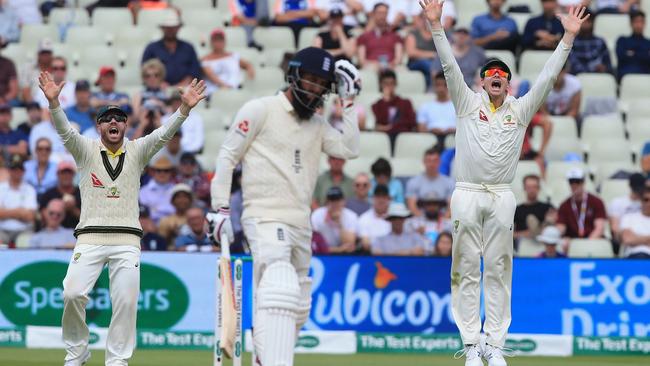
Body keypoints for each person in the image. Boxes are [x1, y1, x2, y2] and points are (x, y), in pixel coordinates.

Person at [420, 1, 589, 364]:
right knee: (465, 267)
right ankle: (470, 346)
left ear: (508, 83)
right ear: (482, 80)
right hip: (466, 192)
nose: (496, 75)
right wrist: (436, 25)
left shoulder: (522, 109)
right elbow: (450, 66)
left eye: (502, 73)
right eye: (490, 72)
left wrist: (568, 39)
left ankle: (494, 346)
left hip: (501, 196)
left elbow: (546, 77)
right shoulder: (466, 103)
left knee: (498, 268)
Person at [37, 69, 206, 366]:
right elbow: (65, 131)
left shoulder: (138, 150)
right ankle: (77, 352)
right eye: (107, 118)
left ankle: (117, 360)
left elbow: (164, 135)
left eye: (119, 118)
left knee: (126, 303)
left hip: (127, 238)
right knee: (72, 293)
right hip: (89, 237)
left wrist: (183, 110)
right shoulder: (85, 150)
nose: (113, 122)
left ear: (127, 125)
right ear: (99, 126)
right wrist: (54, 103)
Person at [206, 47, 360, 366]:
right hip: (263, 216)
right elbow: (227, 156)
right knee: (279, 283)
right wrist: (220, 208)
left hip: (301, 224)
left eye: (322, 84)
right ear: (294, 75)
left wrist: (349, 103)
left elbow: (350, 149)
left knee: (298, 307)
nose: (315, 88)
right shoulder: (260, 109)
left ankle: (264, 355)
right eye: (311, 79)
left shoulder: (317, 125)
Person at [141, 13, 202, 86]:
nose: (170, 30)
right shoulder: (152, 48)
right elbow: (144, 69)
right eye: (167, 27)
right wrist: (159, 83)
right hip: (158, 90)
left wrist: (185, 83)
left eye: (173, 27)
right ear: (162, 28)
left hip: (186, 89)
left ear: (178, 28)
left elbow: (195, 69)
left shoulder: (188, 47)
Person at [557, 168, 607, 245]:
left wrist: (586, 244)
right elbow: (561, 227)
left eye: (577, 181)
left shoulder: (596, 202)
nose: (574, 185)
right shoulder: (564, 205)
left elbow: (599, 228)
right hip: (572, 241)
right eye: (571, 182)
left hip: (593, 240)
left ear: (583, 182)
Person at [201, 28, 255, 96]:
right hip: (215, 93)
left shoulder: (233, 56)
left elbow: (248, 65)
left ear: (224, 41)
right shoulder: (205, 59)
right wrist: (225, 86)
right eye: (216, 40)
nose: (218, 42)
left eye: (220, 40)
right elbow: (211, 75)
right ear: (211, 42)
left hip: (235, 91)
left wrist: (250, 75)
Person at [371, 69, 417, 146]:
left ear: (396, 84)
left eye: (391, 83)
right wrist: (385, 101)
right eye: (386, 84)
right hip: (383, 142)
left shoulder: (406, 103)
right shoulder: (377, 105)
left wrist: (389, 127)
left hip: (403, 141)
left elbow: (411, 123)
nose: (389, 87)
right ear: (381, 85)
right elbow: (380, 121)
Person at [405, 147, 455, 216]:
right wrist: (424, 222)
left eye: (435, 161)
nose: (432, 164)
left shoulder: (449, 183)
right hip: (420, 221)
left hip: (442, 221)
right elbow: (412, 207)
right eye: (429, 161)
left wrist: (442, 222)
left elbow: (451, 208)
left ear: (439, 162)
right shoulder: (413, 182)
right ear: (424, 162)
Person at [0, 154, 37, 244]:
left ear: (23, 171)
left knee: (25, 243)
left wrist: (5, 212)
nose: (17, 172)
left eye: (19, 169)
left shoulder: (30, 189)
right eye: (14, 169)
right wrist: (19, 211)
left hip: (24, 230)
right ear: (9, 170)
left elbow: (30, 216)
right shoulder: (1, 188)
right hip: (2, 229)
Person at [310, 186, 358, 252]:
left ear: (344, 201)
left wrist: (339, 223)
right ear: (326, 202)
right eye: (332, 200)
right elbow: (314, 245)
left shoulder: (351, 216)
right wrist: (338, 249)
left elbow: (350, 244)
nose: (335, 204)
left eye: (337, 200)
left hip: (345, 256)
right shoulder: (317, 215)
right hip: (322, 255)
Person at [357, 2, 403, 70]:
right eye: (379, 13)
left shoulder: (396, 37)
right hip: (371, 67)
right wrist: (376, 65)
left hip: (391, 68)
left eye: (385, 13)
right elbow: (361, 60)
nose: (382, 16)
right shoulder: (364, 36)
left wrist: (389, 65)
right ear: (373, 14)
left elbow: (398, 59)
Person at [567, 9, 613, 74]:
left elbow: (608, 66)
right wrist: (591, 69)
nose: (585, 24)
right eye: (582, 20)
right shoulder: (571, 41)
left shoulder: (600, 42)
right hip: (577, 77)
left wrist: (604, 68)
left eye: (588, 21)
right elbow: (573, 65)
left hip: (598, 76)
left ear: (593, 22)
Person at [39, 160, 82, 229]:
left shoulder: (82, 194)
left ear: (73, 175)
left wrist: (73, 209)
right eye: (63, 173)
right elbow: (44, 218)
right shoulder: (49, 194)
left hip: (78, 231)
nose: (66, 176)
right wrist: (59, 208)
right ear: (57, 174)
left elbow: (87, 220)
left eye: (69, 173)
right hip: (54, 232)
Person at [417, 73, 457, 145]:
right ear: (434, 86)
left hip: (453, 139)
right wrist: (431, 130)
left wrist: (454, 130)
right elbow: (421, 129)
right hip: (432, 139)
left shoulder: (457, 107)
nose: (441, 89)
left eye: (444, 85)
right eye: (438, 85)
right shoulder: (425, 107)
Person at [513, 174, 554, 243]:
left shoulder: (547, 207)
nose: (532, 190)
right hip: (523, 245)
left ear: (539, 188)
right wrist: (526, 234)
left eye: (534, 187)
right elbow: (510, 234)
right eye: (529, 187)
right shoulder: (517, 210)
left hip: (544, 244)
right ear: (524, 188)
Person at [608, 173, 645, 244]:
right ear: (630, 186)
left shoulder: (647, 203)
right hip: (624, 239)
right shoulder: (617, 202)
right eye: (636, 188)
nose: (638, 191)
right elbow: (615, 228)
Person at [139, 156, 176, 224]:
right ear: (153, 172)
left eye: (166, 171)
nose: (162, 173)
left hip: (172, 224)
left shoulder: (175, 190)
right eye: (159, 170)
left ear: (171, 173)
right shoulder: (144, 191)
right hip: (150, 224)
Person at [405, 13, 437, 90]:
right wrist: (432, 54)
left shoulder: (436, 35)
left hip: (432, 63)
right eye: (424, 18)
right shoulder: (413, 34)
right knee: (428, 64)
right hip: (415, 63)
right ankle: (432, 89)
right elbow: (411, 53)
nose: (426, 21)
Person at [616, 10, 650, 79]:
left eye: (641, 22)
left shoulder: (648, 43)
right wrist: (644, 53)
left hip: (646, 77)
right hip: (626, 76)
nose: (639, 25)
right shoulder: (622, 40)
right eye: (636, 21)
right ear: (631, 23)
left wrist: (632, 53)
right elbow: (621, 56)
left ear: (645, 23)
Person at [357, 184, 391, 252]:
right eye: (378, 197)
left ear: (389, 199)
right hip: (372, 257)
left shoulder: (397, 217)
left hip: (395, 256)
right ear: (373, 198)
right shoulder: (364, 219)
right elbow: (365, 244)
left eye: (384, 197)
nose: (381, 200)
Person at [620, 186, 650, 258]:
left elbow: (631, 239)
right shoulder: (629, 217)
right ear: (640, 201)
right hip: (636, 256)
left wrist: (636, 238)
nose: (649, 203)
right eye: (646, 200)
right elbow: (627, 239)